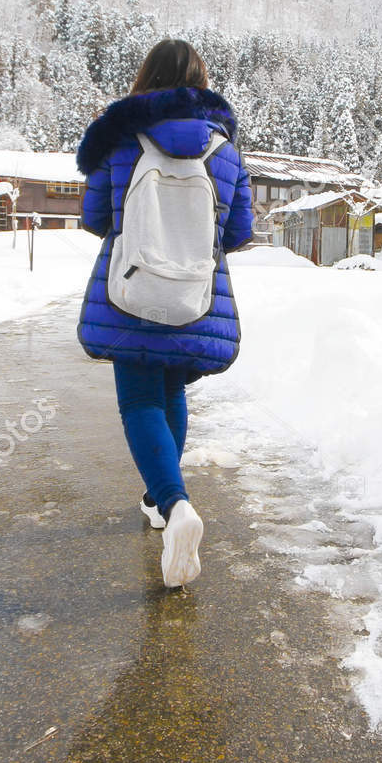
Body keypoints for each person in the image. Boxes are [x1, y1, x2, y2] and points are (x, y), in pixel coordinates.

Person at [75, 39, 253, 587]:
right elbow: (240, 231)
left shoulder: (121, 137)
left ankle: (176, 505)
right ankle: (159, 499)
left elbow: (95, 216)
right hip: (196, 292)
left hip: (132, 287)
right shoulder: (224, 149)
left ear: (145, 79)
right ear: (200, 81)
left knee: (140, 400)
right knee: (171, 392)